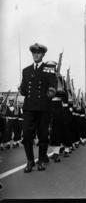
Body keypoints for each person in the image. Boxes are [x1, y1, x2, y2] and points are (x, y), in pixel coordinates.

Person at [19, 43, 57, 173]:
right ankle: (30, 161)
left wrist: (51, 92)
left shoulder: (49, 69)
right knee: (27, 134)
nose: (36, 55)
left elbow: (53, 84)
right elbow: (24, 90)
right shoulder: (26, 70)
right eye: (34, 53)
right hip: (29, 108)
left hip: (43, 107)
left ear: (43, 55)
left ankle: (41, 161)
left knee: (43, 135)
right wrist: (21, 89)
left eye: (38, 53)